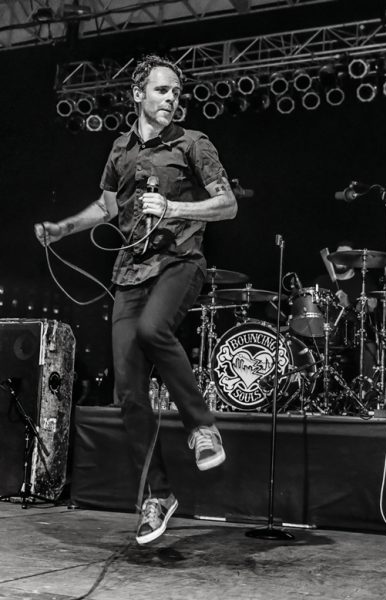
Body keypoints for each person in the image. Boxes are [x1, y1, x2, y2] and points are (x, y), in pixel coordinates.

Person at [34, 54, 237, 544]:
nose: (172, 99)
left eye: (176, 93)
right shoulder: (120, 149)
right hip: (129, 273)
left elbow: (227, 204)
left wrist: (173, 206)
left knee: (153, 330)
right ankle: (156, 496)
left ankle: (202, 427)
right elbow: (106, 207)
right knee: (127, 392)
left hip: (179, 262)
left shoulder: (193, 143)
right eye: (163, 91)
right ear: (138, 94)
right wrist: (63, 229)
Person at [314, 241, 378, 393]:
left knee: (369, 349)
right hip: (323, 338)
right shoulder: (321, 281)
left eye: (346, 256)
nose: (341, 260)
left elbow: (365, 318)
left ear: (354, 260)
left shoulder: (364, 284)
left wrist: (348, 305)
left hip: (353, 342)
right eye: (338, 256)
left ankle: (367, 397)